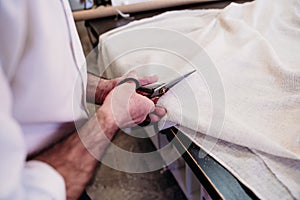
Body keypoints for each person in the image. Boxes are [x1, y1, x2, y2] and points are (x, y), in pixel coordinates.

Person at [0, 1, 166, 199]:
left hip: (63, 168)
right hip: (48, 181)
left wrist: (102, 89)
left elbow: (32, 66)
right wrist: (110, 117)